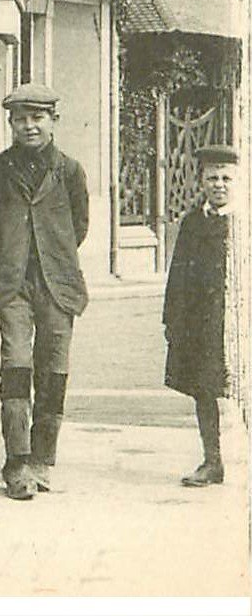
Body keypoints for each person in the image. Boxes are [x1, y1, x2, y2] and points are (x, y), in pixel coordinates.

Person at [0, 84, 89, 500]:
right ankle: (17, 462)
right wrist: (7, 252)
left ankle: (43, 459)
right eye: (21, 119)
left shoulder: (71, 171)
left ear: (53, 122)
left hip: (58, 284)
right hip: (12, 284)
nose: (29, 126)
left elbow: (78, 226)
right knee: (16, 363)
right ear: (10, 123)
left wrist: (49, 255)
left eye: (38, 118)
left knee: (54, 369)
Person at [163, 143, 241, 488]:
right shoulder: (193, 223)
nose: (219, 184)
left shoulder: (244, 223)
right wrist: (173, 321)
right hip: (203, 323)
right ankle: (213, 461)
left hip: (238, 322)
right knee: (205, 389)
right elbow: (177, 275)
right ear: (201, 181)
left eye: (226, 178)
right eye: (212, 178)